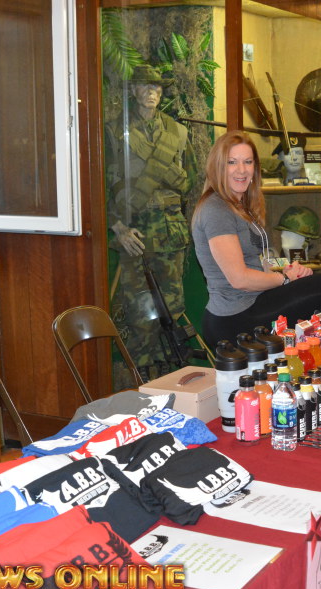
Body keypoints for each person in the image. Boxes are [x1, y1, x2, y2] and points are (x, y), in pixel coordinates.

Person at [192, 131, 321, 347]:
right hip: (234, 317)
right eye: (232, 162)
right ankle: (319, 353)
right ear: (218, 167)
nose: (241, 170)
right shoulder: (216, 210)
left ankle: (309, 352)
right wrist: (285, 279)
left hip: (254, 302)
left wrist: (288, 271)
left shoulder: (240, 205)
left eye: (248, 162)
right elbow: (240, 280)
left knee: (319, 287)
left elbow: (257, 261)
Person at [105, 65, 193, 385]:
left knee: (172, 310)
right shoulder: (114, 132)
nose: (151, 92)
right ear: (133, 91)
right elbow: (97, 186)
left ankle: (170, 380)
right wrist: (117, 227)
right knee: (140, 314)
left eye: (156, 87)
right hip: (136, 233)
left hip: (171, 232)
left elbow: (191, 181)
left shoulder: (178, 133)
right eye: (144, 86)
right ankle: (140, 383)